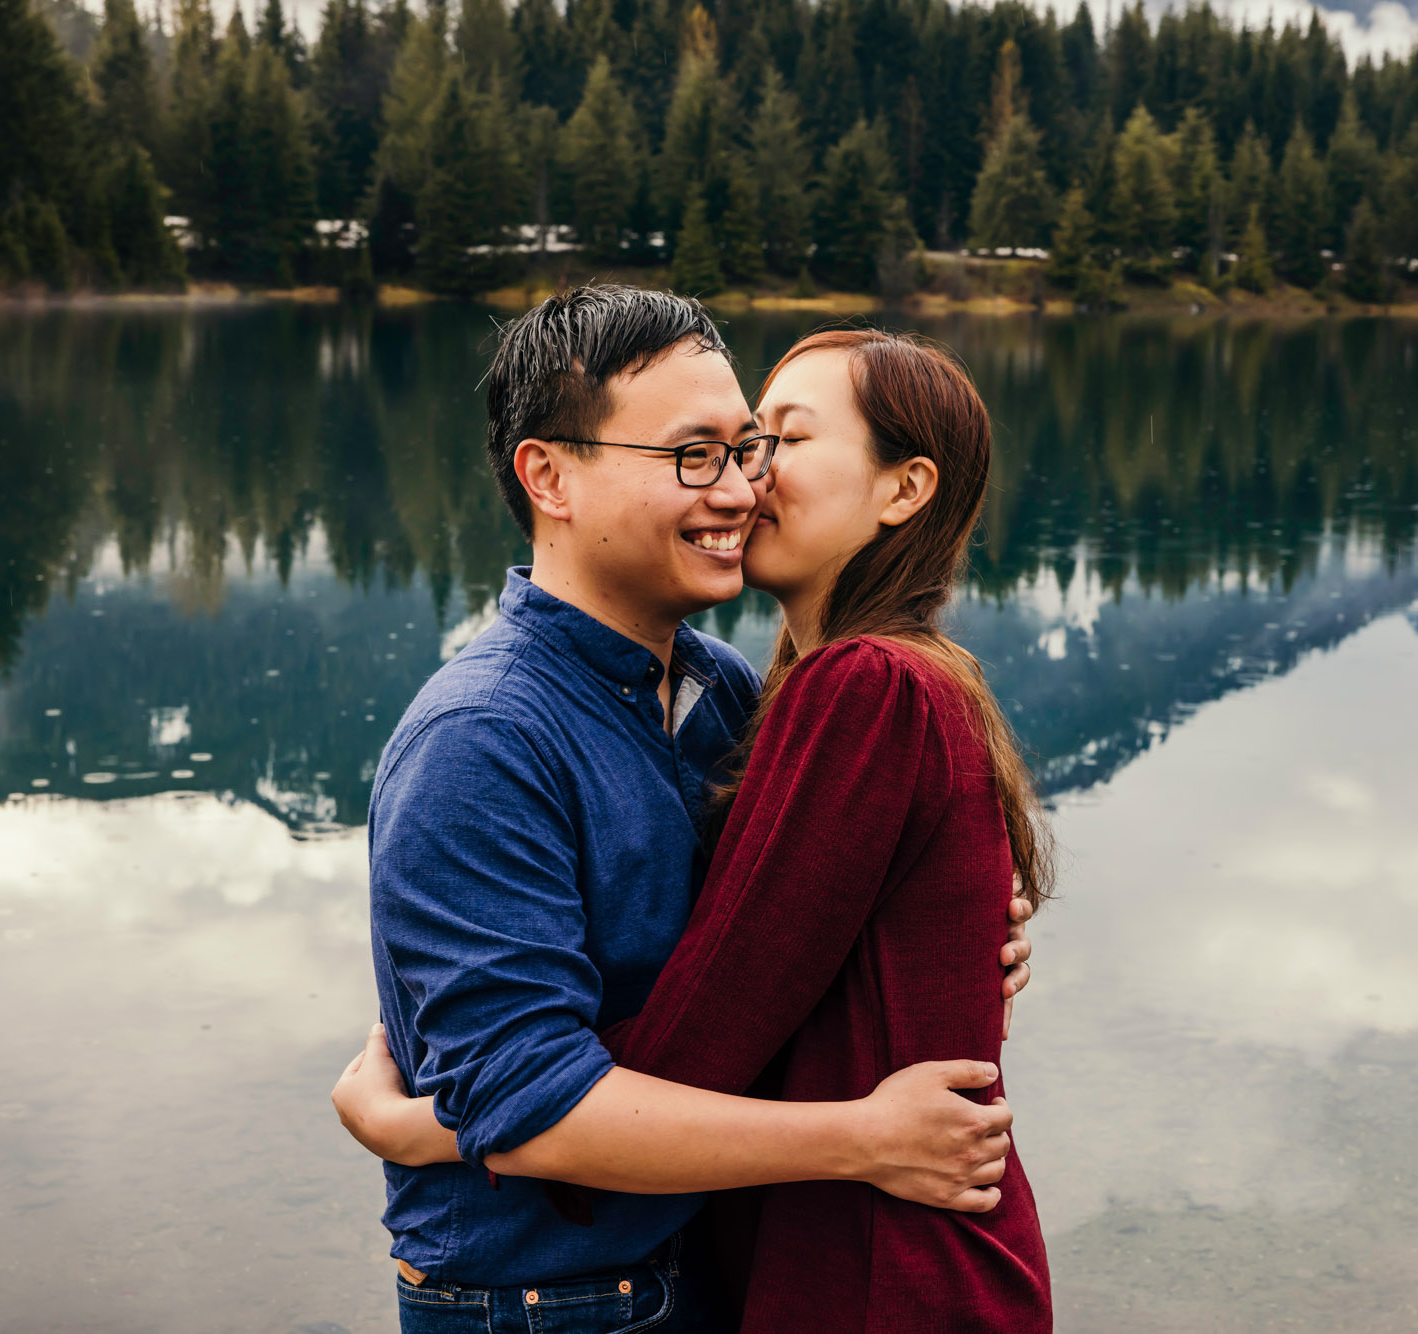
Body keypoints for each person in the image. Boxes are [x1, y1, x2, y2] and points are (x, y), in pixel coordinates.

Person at [332, 287, 1036, 1333]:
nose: (741, 487)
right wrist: (489, 1105)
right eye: (694, 454)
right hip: (547, 1304)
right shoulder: (478, 739)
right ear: (549, 474)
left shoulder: (729, 694)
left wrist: (431, 1114)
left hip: (729, 1265)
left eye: (751, 445)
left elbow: (729, 1004)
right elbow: (536, 1089)